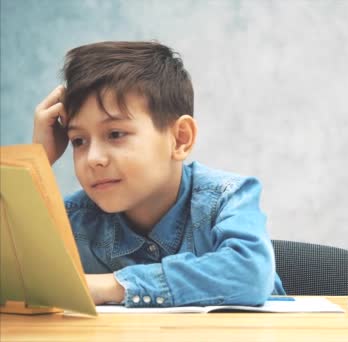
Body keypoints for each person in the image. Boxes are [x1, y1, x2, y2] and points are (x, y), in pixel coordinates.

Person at [32, 41, 285, 307]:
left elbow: (249, 274)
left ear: (180, 139)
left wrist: (112, 286)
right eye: (79, 141)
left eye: (115, 134)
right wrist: (36, 160)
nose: (93, 158)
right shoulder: (74, 219)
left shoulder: (227, 198)